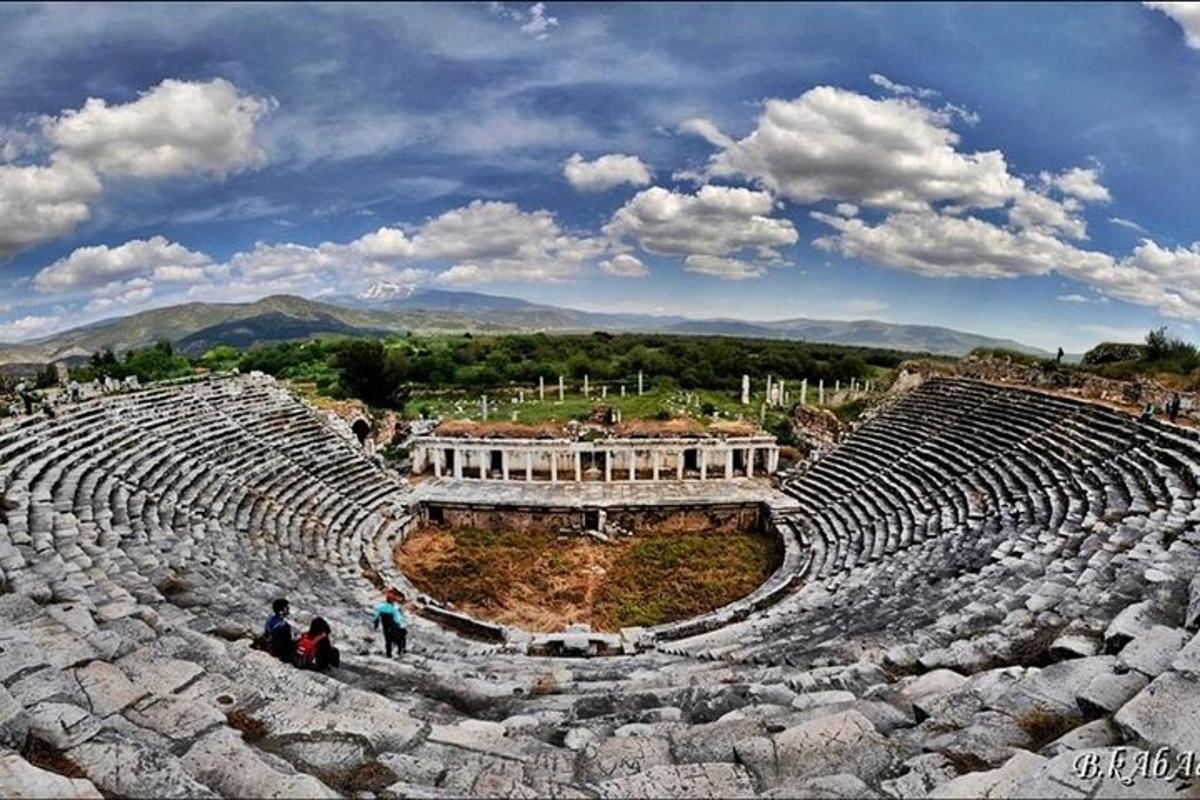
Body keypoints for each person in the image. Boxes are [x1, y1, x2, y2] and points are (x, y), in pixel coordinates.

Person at [373, 589, 408, 658]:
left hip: (386, 628)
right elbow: (398, 619)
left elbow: (376, 617)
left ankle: (388, 654)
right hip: (394, 627)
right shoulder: (394, 609)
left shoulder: (380, 607)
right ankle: (401, 650)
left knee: (388, 640)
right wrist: (402, 626)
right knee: (403, 634)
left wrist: (376, 624)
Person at [264, 598, 296, 662]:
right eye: (286, 607)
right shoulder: (284, 625)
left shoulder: (269, 620)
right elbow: (287, 640)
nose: (288, 609)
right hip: (279, 650)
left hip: (271, 645)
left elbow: (267, 633)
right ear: (281, 611)